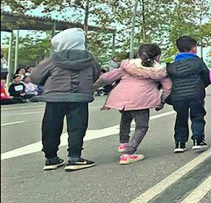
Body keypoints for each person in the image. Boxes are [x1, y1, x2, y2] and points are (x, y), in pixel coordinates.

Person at [30, 28, 100, 171]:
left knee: (51, 126)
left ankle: (51, 158)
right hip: (80, 97)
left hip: (55, 97)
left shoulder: (52, 60)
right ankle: (74, 157)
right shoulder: (90, 60)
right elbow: (96, 75)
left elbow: (35, 78)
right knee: (77, 127)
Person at [94, 44, 171, 165]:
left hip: (121, 98)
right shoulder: (159, 71)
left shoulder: (128, 66)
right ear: (158, 56)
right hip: (142, 100)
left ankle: (123, 143)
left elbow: (106, 78)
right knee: (142, 126)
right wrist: (161, 102)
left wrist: (92, 87)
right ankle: (129, 153)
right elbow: (168, 88)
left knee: (126, 117)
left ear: (139, 55)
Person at [167, 36, 211, 153]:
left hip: (178, 96)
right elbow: (207, 77)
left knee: (181, 117)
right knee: (197, 116)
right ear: (194, 48)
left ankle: (180, 143)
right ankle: (198, 140)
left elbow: (168, 82)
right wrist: (201, 86)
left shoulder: (172, 66)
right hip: (196, 93)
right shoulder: (198, 62)